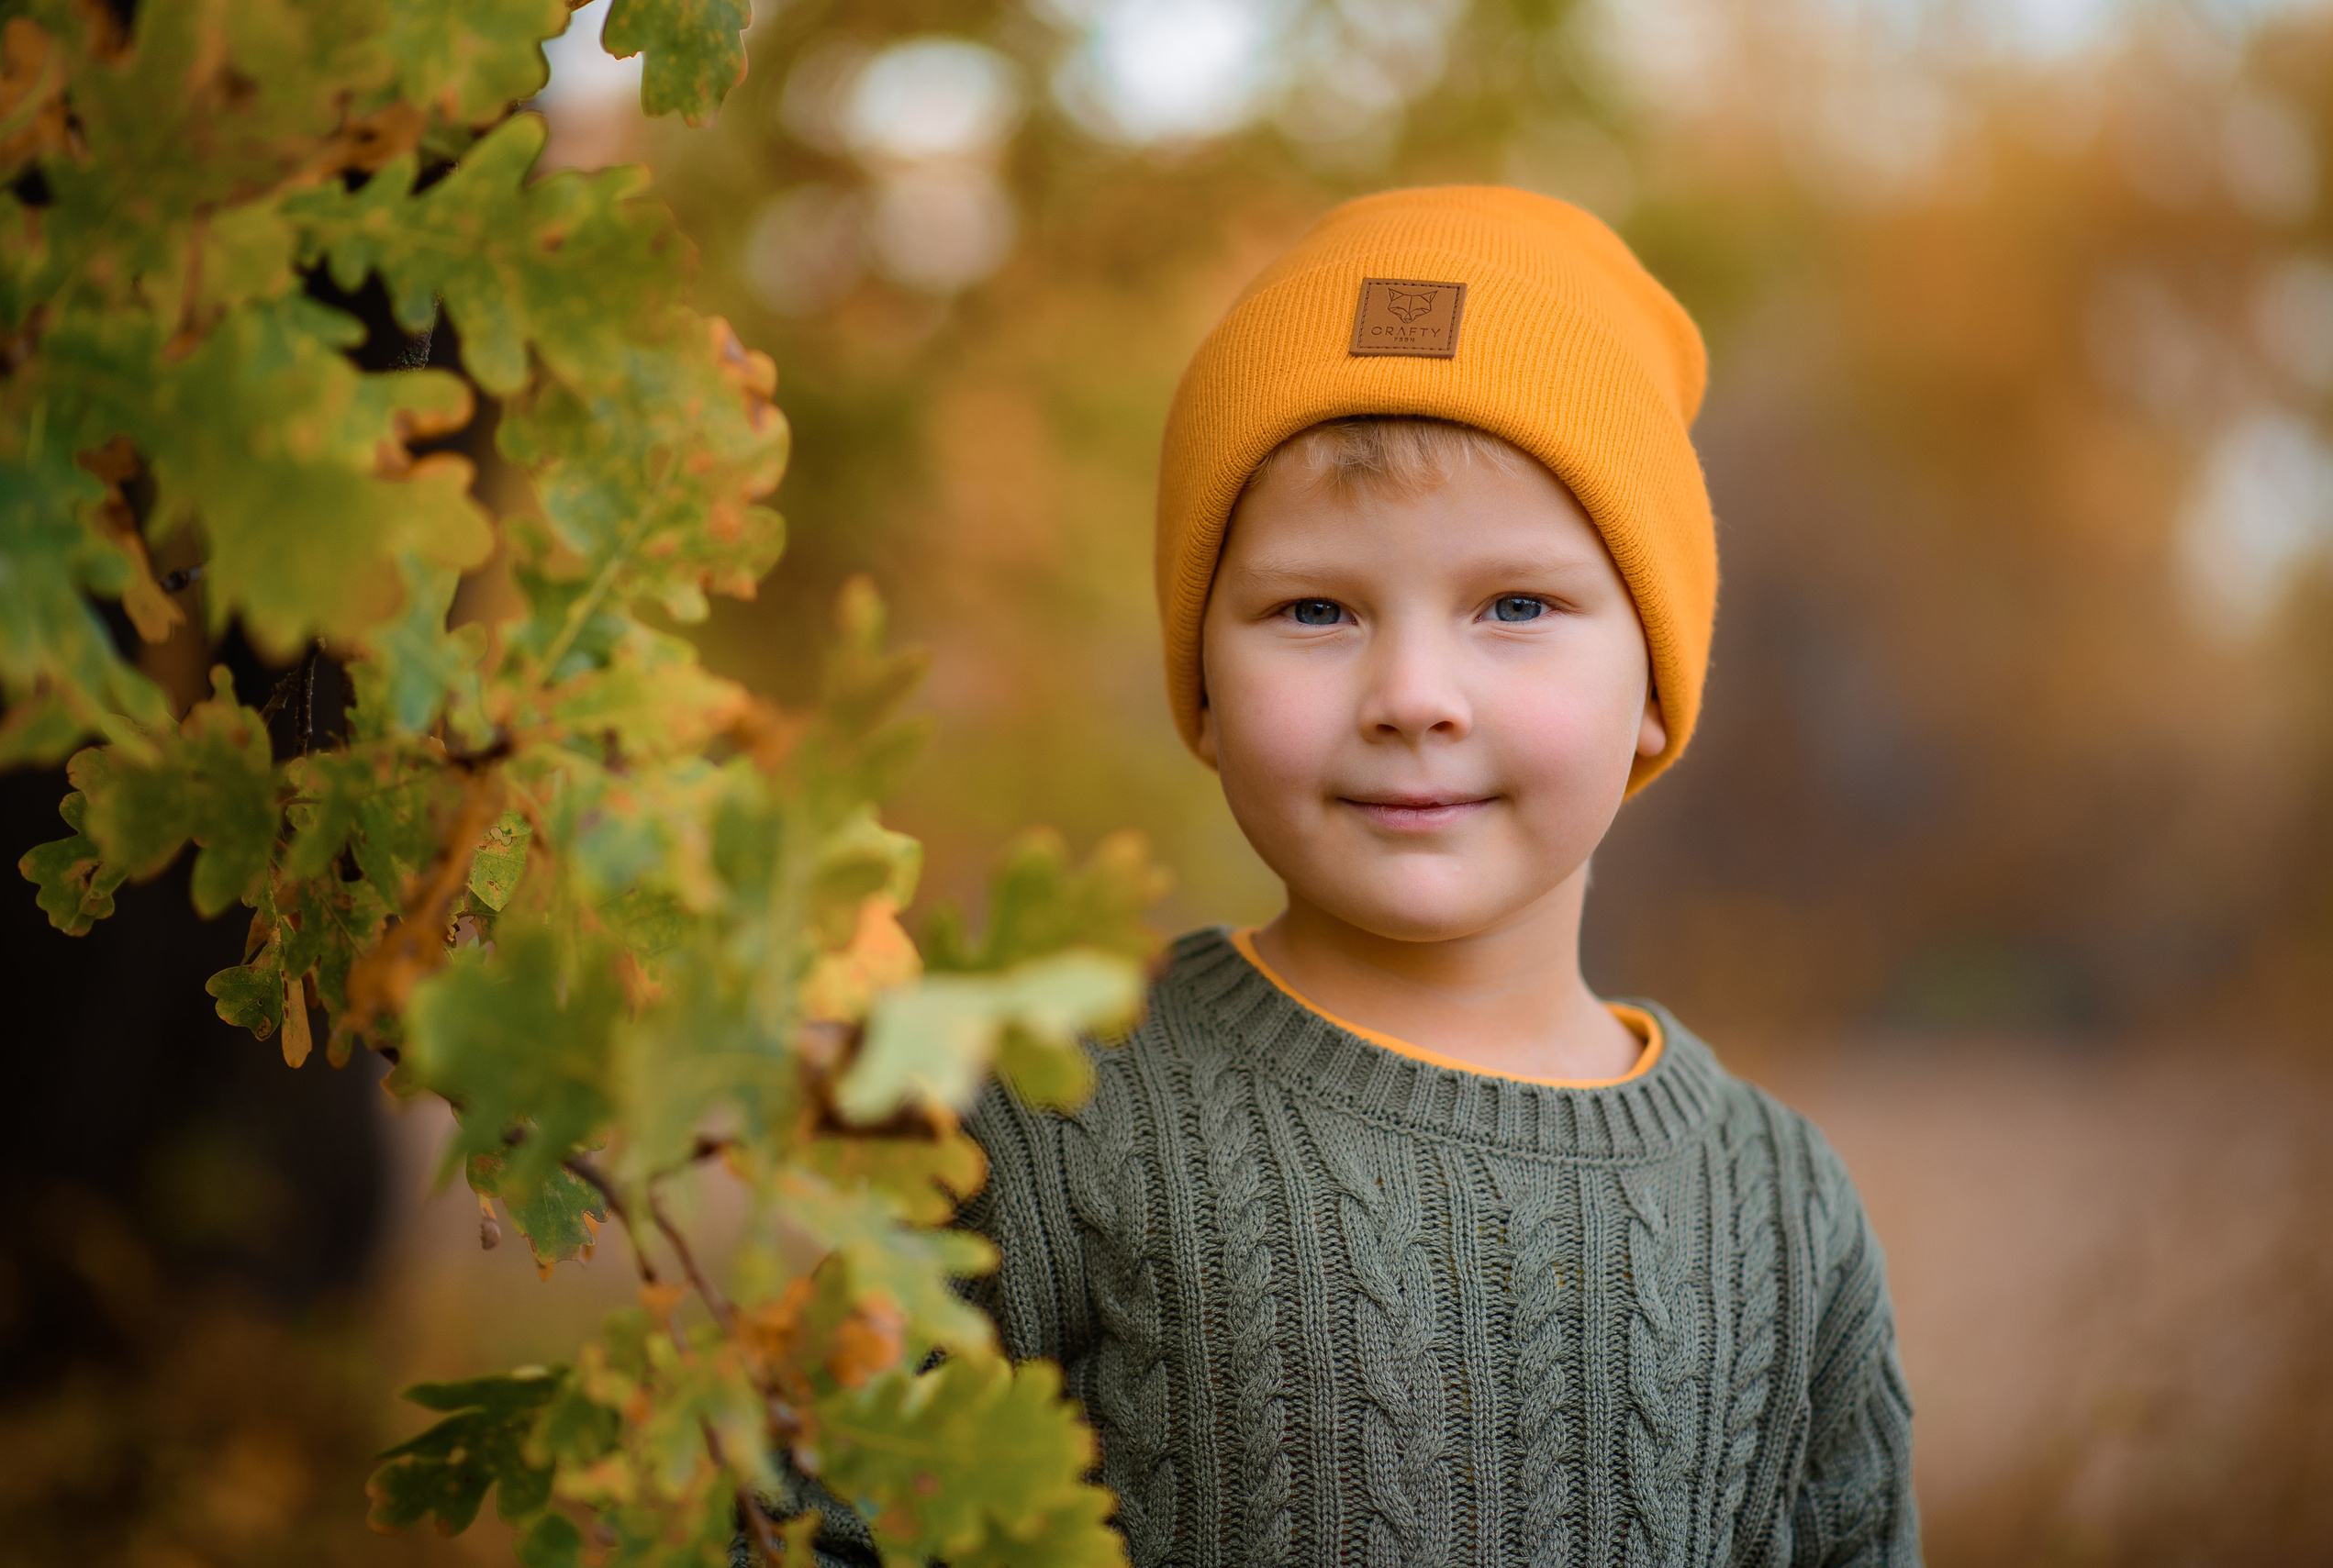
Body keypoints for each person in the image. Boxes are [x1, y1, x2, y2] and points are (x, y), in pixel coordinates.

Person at [806, 185, 1920, 1568]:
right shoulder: (1055, 1113)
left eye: (1516, 606)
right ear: (1203, 684)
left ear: (1655, 680)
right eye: (1315, 610)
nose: (1412, 694)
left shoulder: (1780, 1211)